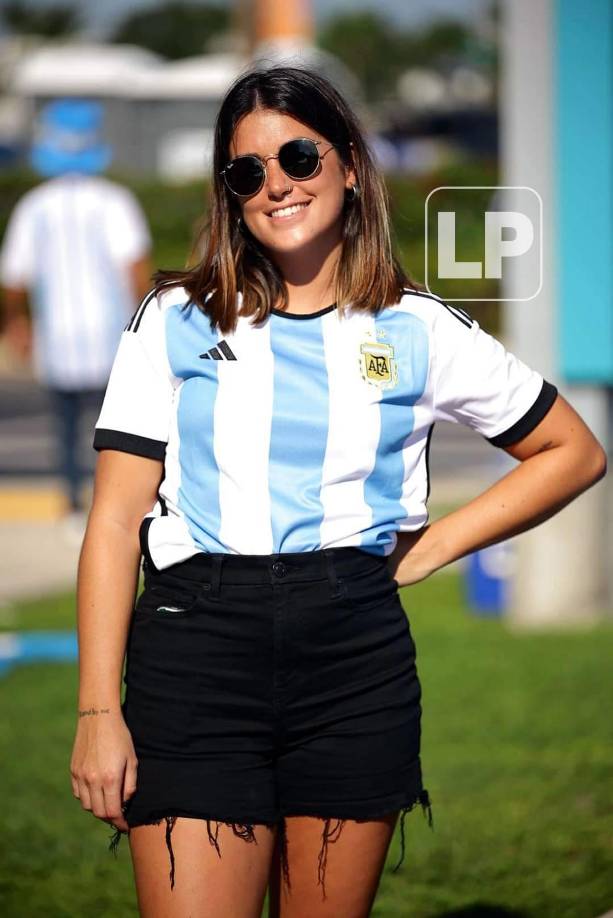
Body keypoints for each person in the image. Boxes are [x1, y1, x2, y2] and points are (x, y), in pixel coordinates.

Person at [70, 65, 606, 917]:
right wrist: (98, 709)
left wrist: (429, 548)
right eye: (246, 171)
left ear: (350, 165)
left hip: (353, 664)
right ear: (229, 194)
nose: (275, 183)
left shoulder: (417, 326)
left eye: (297, 156)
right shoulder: (172, 317)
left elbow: (571, 451)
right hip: (196, 654)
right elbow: (110, 524)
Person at [0, 98, 152, 530]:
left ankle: (71, 507)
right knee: (123, 430)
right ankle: (119, 506)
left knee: (66, 430)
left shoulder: (34, 205)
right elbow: (134, 269)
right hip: (112, 337)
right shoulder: (114, 200)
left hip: (58, 337)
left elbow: (14, 275)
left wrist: (17, 321)